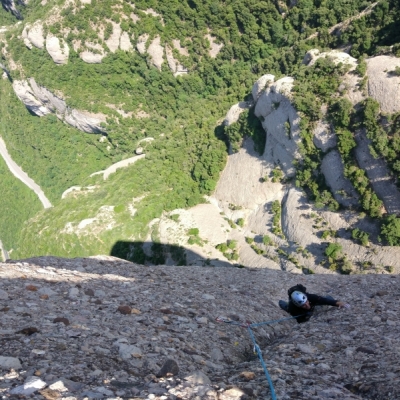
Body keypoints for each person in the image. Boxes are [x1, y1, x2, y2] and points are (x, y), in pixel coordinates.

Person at [278, 284, 350, 323]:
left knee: (329, 298)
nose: (307, 305)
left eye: (306, 302)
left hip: (300, 294)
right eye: (303, 305)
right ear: (298, 306)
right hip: (292, 306)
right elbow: (299, 320)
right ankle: (283, 302)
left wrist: (337, 303)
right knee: (287, 308)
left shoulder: (310, 297)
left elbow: (323, 300)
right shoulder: (293, 308)